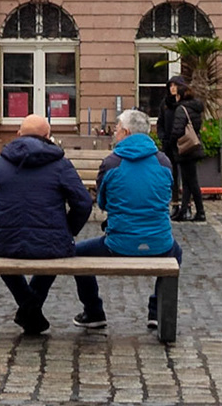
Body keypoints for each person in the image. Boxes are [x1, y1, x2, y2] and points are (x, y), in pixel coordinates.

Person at [0, 113, 98, 334]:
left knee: (2, 253)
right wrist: (67, 230)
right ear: (48, 136)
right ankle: (30, 310)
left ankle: (28, 309)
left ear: (18, 134)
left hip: (5, 243)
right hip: (52, 244)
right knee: (53, 251)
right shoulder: (61, 165)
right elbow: (83, 203)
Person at [69, 109, 183, 332]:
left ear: (127, 132)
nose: (114, 133)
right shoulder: (163, 161)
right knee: (176, 252)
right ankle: (156, 311)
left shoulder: (112, 162)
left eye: (117, 129)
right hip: (160, 244)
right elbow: (166, 196)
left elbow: (102, 202)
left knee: (77, 253)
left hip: (118, 244)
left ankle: (93, 312)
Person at [158, 78, 207, 221]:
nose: (172, 88)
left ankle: (193, 210)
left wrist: (173, 138)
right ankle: (180, 207)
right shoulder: (167, 104)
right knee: (179, 178)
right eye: (170, 85)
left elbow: (180, 128)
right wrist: (163, 138)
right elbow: (161, 122)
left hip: (183, 146)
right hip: (172, 145)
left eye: (175, 85)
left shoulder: (183, 107)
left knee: (189, 180)